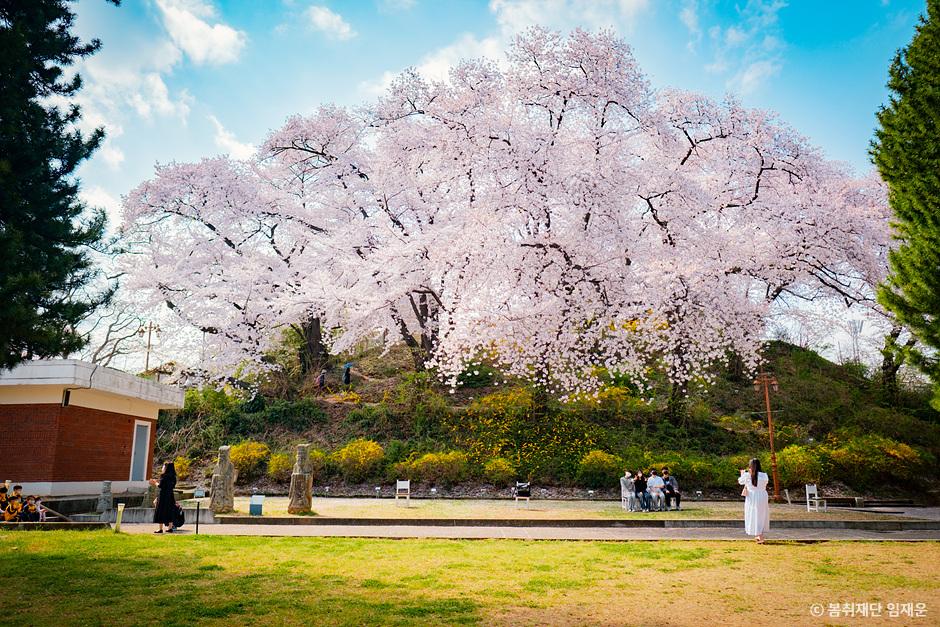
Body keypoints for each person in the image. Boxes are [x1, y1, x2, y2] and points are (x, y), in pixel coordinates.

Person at [738, 458, 770, 543]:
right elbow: (765, 483)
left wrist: (742, 473)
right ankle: (759, 534)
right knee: (761, 514)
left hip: (752, 496)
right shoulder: (764, 475)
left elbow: (740, 482)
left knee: (753, 514)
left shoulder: (747, 475)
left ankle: (760, 535)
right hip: (763, 495)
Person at [150, 462, 177, 533]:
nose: (162, 468)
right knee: (170, 510)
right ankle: (170, 528)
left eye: (163, 467)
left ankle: (160, 528)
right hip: (170, 495)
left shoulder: (164, 476)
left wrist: (155, 482)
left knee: (160, 510)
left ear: (166, 468)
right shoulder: (173, 477)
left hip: (163, 496)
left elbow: (160, 486)